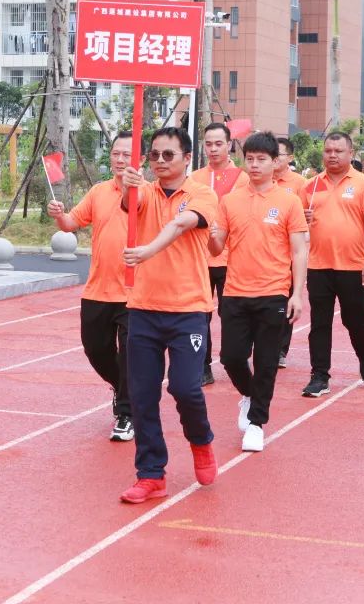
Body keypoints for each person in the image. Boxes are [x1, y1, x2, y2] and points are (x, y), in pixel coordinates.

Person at [118, 127, 219, 504]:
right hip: (144, 308)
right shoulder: (144, 191)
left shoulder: (202, 194)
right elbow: (131, 205)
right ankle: (151, 474)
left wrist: (147, 251)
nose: (159, 161)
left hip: (188, 309)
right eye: (154, 155)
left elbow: (180, 224)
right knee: (142, 395)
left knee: (184, 387)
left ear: (187, 158)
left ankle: (201, 441)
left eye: (168, 155)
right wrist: (129, 185)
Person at [209, 132, 308, 452]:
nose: (254, 165)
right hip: (236, 291)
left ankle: (256, 423)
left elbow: (299, 251)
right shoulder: (230, 201)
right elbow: (217, 247)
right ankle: (249, 395)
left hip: (274, 292)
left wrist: (297, 293)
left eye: (261, 159)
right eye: (249, 159)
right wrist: (211, 236)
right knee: (231, 357)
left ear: (274, 162)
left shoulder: (289, 201)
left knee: (266, 362)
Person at [47, 132, 138, 442]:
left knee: (130, 355)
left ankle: (126, 413)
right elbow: (71, 223)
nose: (120, 159)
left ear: (138, 159)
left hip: (134, 293)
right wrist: (59, 215)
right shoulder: (99, 191)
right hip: (98, 289)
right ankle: (122, 388)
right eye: (116, 153)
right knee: (95, 349)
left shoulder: (147, 194)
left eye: (126, 154)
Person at [300, 132, 364, 397]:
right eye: (328, 151)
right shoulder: (310, 186)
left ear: (350, 153)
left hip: (353, 266)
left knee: (355, 321)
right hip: (318, 265)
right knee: (319, 323)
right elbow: (297, 226)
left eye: (338, 151)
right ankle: (319, 375)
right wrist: (302, 218)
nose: (332, 155)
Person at [191, 122, 250, 386]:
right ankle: (203, 365)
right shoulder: (195, 178)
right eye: (208, 144)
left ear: (229, 145)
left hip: (231, 259)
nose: (213, 149)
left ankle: (233, 359)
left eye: (218, 144)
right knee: (199, 315)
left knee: (231, 315)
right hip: (199, 258)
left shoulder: (242, 178)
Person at [274, 136, 308, 368]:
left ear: (291, 158)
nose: (275, 159)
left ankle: (280, 349)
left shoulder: (300, 184)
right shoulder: (259, 180)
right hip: (265, 253)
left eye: (280, 154)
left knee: (286, 301)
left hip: (290, 252)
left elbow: (308, 213)